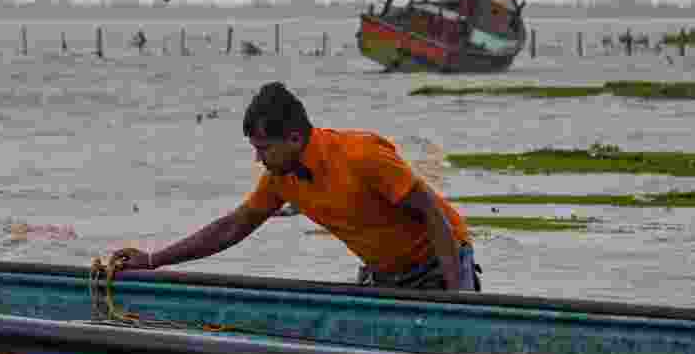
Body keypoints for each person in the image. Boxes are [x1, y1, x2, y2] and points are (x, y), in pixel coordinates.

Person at [113, 82, 480, 292]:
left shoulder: (361, 155)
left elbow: (432, 215)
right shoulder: (281, 178)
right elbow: (232, 227)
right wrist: (151, 260)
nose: (259, 160)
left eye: (263, 149)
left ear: (292, 138)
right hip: (384, 273)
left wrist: (456, 298)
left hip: (437, 262)